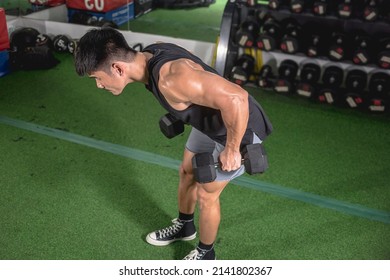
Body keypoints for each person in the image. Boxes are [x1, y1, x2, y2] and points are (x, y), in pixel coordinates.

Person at [74, 27, 273, 260]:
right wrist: (182, 109)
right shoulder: (152, 52)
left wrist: (231, 149)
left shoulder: (171, 80)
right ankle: (185, 226)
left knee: (206, 194)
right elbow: (192, 63)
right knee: (187, 171)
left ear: (118, 68)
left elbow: (237, 98)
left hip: (238, 127)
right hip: (209, 120)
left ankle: (206, 254)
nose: (99, 85)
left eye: (97, 78)